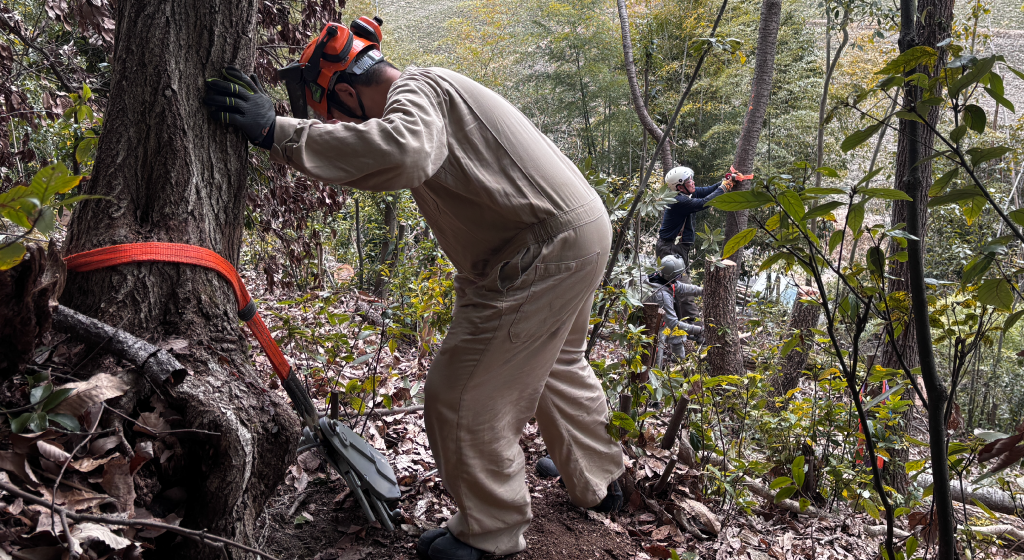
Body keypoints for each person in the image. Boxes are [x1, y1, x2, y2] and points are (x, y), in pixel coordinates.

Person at [203, 19, 624, 560]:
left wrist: (276, 131)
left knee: (461, 395)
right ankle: (600, 478)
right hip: (579, 232)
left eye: (336, 115)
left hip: (539, 250)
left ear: (348, 93)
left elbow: (403, 153)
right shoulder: (434, 90)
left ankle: (490, 533)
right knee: (559, 364)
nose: (339, 125)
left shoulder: (417, 90)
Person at [656, 166, 730, 270]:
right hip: (670, 247)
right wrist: (724, 188)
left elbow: (709, 190)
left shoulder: (687, 193)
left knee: (680, 277)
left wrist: (727, 181)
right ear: (680, 187)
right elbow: (704, 203)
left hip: (676, 246)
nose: (693, 183)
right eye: (689, 181)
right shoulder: (678, 200)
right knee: (675, 278)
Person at [644, 255, 703, 359]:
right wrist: (699, 330)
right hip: (652, 329)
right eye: (678, 276)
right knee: (654, 358)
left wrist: (703, 291)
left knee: (679, 334)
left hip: (662, 322)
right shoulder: (662, 296)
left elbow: (682, 287)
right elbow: (674, 324)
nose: (679, 278)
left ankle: (678, 361)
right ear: (670, 276)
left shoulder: (661, 279)